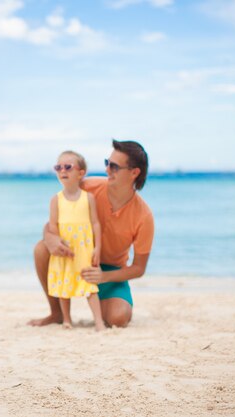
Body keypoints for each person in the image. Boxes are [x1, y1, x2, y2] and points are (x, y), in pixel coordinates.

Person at [30, 140, 154, 328]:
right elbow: (54, 221)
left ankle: (100, 305)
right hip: (73, 258)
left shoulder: (144, 216)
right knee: (41, 248)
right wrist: (50, 238)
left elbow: (138, 268)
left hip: (110, 270)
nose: (107, 170)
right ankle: (57, 313)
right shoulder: (88, 187)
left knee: (119, 318)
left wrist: (102, 277)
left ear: (134, 173)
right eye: (107, 163)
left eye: (114, 166)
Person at [47, 151, 104, 331]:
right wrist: (59, 244)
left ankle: (99, 322)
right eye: (58, 167)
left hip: (84, 249)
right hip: (66, 249)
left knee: (89, 285)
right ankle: (66, 319)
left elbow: (95, 223)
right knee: (65, 284)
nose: (62, 171)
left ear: (81, 173)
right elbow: (53, 224)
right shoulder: (56, 199)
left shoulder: (88, 198)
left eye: (68, 167)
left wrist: (98, 248)